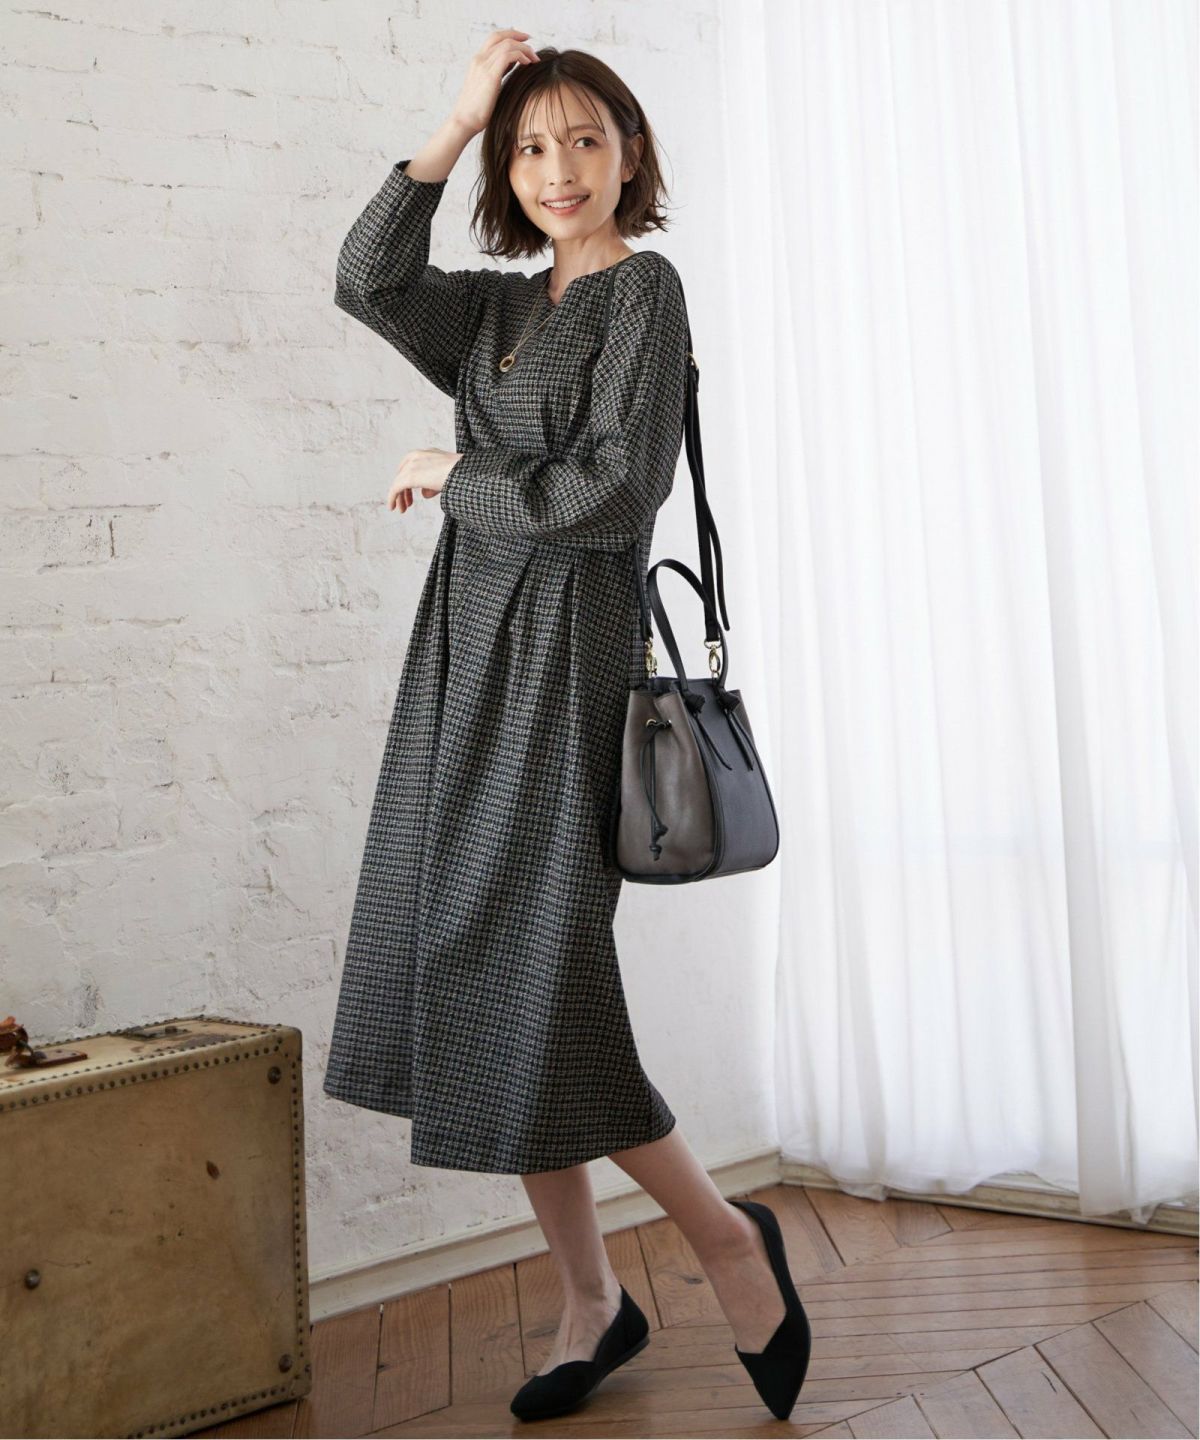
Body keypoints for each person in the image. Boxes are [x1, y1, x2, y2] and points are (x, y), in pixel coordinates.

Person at [322, 30, 810, 1421]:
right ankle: (596, 1299)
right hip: (462, 656)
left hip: (567, 656)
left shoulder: (644, 292)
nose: (558, 169)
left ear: (630, 153)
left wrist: (455, 470)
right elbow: (364, 278)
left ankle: (727, 1239)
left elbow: (612, 496)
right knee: (486, 968)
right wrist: (457, 115)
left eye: (585, 140)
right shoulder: (494, 312)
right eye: (530, 146)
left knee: (543, 969)